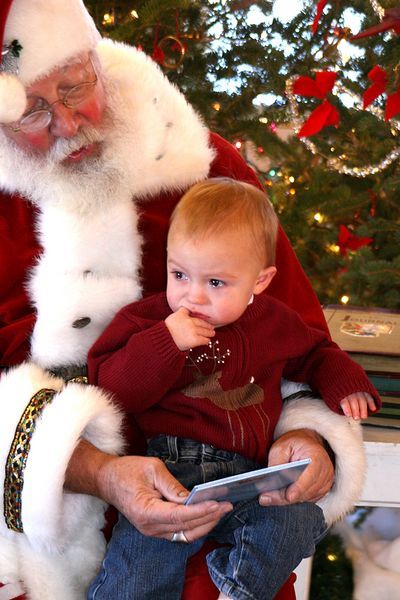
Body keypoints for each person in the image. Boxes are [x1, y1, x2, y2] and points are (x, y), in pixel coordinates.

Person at [0, 1, 368, 598]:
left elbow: (296, 337)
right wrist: (96, 473)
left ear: (97, 60)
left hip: (219, 539)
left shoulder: (206, 169)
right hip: (33, 545)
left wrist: (310, 440)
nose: (67, 123)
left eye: (74, 87)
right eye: (34, 110)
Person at [86, 178, 379, 599]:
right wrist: (165, 342)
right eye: (180, 274)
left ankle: (239, 588)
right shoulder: (148, 322)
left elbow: (316, 352)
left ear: (259, 282)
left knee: (297, 521)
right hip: (170, 475)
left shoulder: (273, 323)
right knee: (140, 568)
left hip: (250, 475)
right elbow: (112, 390)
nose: (193, 296)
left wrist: (345, 383)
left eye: (216, 283)